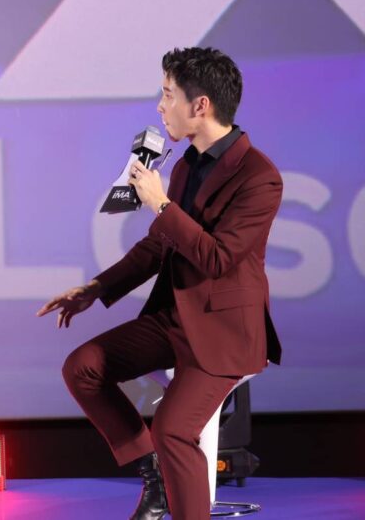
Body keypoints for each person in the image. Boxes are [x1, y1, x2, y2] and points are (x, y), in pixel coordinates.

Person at [37, 47, 282, 520]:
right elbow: (158, 245)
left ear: (200, 105)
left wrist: (162, 206)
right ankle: (154, 475)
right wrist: (95, 288)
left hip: (225, 331)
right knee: (83, 367)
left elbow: (218, 258)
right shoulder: (187, 163)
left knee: (173, 428)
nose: (160, 106)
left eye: (168, 94)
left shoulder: (259, 176)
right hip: (175, 320)